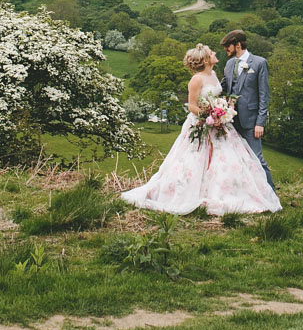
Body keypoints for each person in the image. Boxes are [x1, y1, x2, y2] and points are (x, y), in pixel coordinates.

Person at [120, 44, 280, 215]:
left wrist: (224, 108)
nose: (215, 53)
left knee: (227, 162)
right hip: (201, 125)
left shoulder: (213, 74)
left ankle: (226, 192)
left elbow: (218, 95)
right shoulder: (196, 79)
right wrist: (210, 116)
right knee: (194, 161)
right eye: (211, 53)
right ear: (205, 60)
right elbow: (191, 106)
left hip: (220, 125)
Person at [220, 29, 275, 192]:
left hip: (251, 121)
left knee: (257, 159)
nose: (225, 50)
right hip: (230, 120)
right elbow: (223, 87)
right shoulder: (229, 64)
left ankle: (271, 194)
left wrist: (260, 122)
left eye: (228, 46)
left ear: (238, 45)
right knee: (234, 160)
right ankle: (245, 193)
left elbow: (264, 95)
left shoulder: (259, 63)